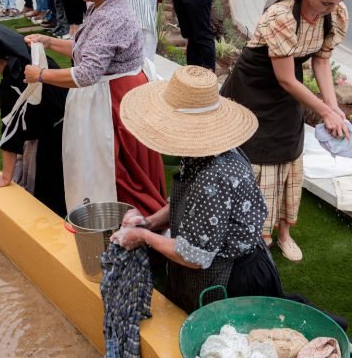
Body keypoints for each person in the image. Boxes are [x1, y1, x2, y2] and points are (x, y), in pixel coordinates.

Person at [110, 65, 284, 314]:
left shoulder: (213, 178)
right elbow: (182, 204)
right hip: (214, 264)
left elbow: (194, 257)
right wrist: (147, 223)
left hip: (231, 279)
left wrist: (143, 237)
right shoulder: (202, 152)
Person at [23, 0, 167, 217]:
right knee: (106, 166)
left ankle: (126, 227)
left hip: (114, 101)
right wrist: (50, 42)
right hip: (112, 93)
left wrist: (41, 75)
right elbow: (86, 52)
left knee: (116, 170)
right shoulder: (102, 6)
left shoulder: (111, 16)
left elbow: (87, 73)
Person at [219, 0, 352, 262]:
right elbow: (285, 78)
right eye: (327, 3)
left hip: (291, 89)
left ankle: (283, 233)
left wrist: (333, 107)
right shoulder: (280, 16)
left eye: (338, 2)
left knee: (289, 153)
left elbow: (321, 60)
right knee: (256, 159)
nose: (333, 9)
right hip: (255, 87)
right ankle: (254, 231)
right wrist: (325, 111)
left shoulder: (335, 14)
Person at [0, 25, 68, 216]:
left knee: (46, 200)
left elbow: (10, 130)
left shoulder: (11, 83)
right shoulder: (40, 59)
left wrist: (5, 176)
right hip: (72, 130)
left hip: (46, 144)